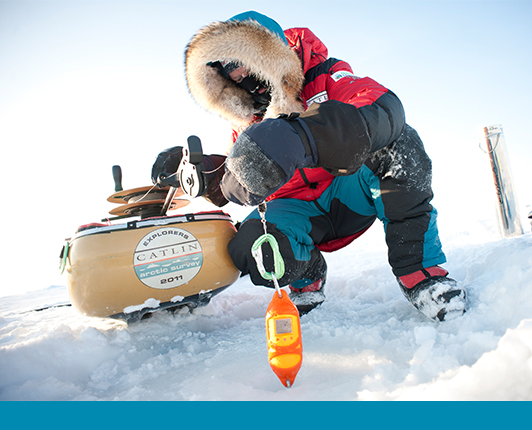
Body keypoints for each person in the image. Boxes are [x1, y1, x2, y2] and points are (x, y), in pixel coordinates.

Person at [151, 11, 467, 321]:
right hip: (297, 212)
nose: (237, 76)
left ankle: (420, 272)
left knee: (398, 143)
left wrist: (301, 135)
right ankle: (308, 271)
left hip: (350, 191)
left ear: (268, 51)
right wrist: (203, 173)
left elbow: (382, 108)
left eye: (238, 62)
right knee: (250, 244)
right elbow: (237, 183)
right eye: (226, 72)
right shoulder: (247, 123)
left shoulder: (325, 76)